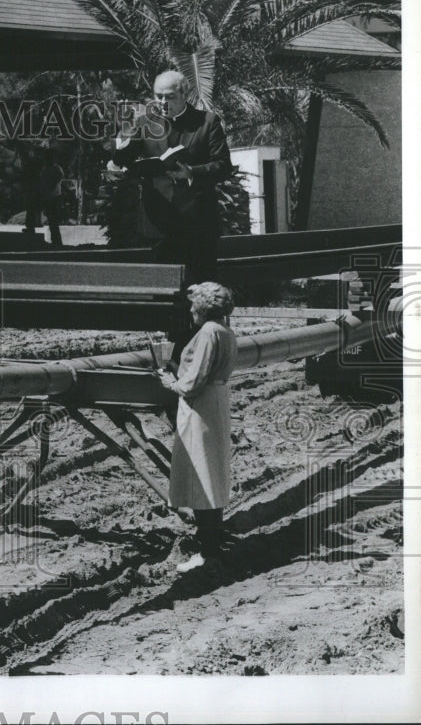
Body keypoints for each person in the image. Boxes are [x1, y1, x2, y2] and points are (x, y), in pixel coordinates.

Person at [112, 70, 231, 286]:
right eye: (158, 96)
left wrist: (192, 172)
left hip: (198, 221)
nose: (163, 102)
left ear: (185, 94)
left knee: (202, 289)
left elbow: (223, 166)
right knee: (162, 290)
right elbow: (125, 158)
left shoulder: (207, 122)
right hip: (158, 220)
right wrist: (121, 145)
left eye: (169, 96)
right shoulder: (145, 122)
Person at [157, 282, 238, 572]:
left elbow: (193, 382)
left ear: (204, 307)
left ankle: (208, 552)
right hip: (215, 403)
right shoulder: (224, 331)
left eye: (194, 305)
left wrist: (170, 382)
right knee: (212, 474)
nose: (191, 310)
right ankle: (212, 544)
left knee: (200, 476)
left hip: (200, 407)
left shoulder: (207, 333)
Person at [38, 147, 66, 247]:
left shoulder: (55, 168)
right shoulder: (46, 168)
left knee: (53, 220)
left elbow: (59, 177)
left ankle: (57, 241)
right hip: (49, 196)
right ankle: (55, 240)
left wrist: (51, 185)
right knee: (51, 220)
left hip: (54, 197)